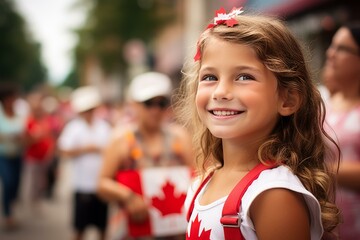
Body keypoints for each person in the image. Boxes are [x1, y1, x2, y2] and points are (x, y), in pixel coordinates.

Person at [174, 7, 341, 239]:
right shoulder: (204, 181)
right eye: (210, 77)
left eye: (244, 77)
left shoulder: (274, 194)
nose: (221, 92)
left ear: (288, 99)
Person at [97, 72, 194, 240]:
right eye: (148, 103)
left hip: (174, 229)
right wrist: (128, 197)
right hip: (134, 229)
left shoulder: (179, 137)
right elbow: (102, 183)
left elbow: (197, 174)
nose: (155, 110)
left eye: (161, 103)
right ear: (134, 105)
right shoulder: (121, 139)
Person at [321, 23, 360, 240]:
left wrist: (319, 169)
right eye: (332, 46)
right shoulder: (322, 101)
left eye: (342, 49)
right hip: (324, 226)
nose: (331, 53)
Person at [58, 86, 112, 240]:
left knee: (102, 228)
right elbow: (63, 150)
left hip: (101, 185)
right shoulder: (73, 128)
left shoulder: (104, 127)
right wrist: (85, 149)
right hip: (82, 185)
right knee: (79, 229)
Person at [0, 83, 25, 230]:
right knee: (8, 182)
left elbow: (24, 135)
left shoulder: (19, 114)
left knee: (15, 185)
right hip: (3, 155)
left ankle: (10, 207)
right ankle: (8, 214)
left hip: (17, 154)